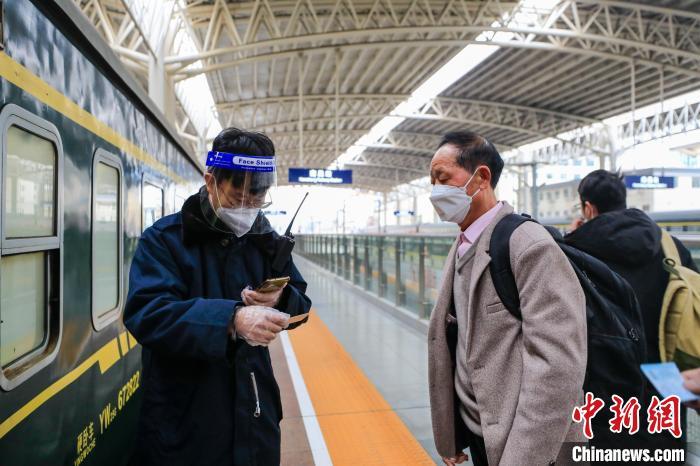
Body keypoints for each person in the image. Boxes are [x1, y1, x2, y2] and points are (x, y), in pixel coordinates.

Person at [123, 128, 312, 466]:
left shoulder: (264, 240)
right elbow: (146, 313)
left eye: (257, 199)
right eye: (238, 197)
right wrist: (232, 319)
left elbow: (302, 308)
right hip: (185, 424)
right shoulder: (165, 240)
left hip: (255, 415)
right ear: (210, 181)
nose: (248, 208)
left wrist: (281, 299)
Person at [427, 131, 587, 466]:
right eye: (432, 182)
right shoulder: (463, 244)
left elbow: (558, 367)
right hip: (481, 429)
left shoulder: (528, 245)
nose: (435, 191)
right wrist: (452, 434)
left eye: (442, 178)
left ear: (481, 177)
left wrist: (521, 458)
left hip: (526, 443)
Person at [565, 169, 698, 452]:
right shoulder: (671, 247)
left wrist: (571, 238)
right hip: (665, 390)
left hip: (603, 397)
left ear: (588, 208)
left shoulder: (574, 251)